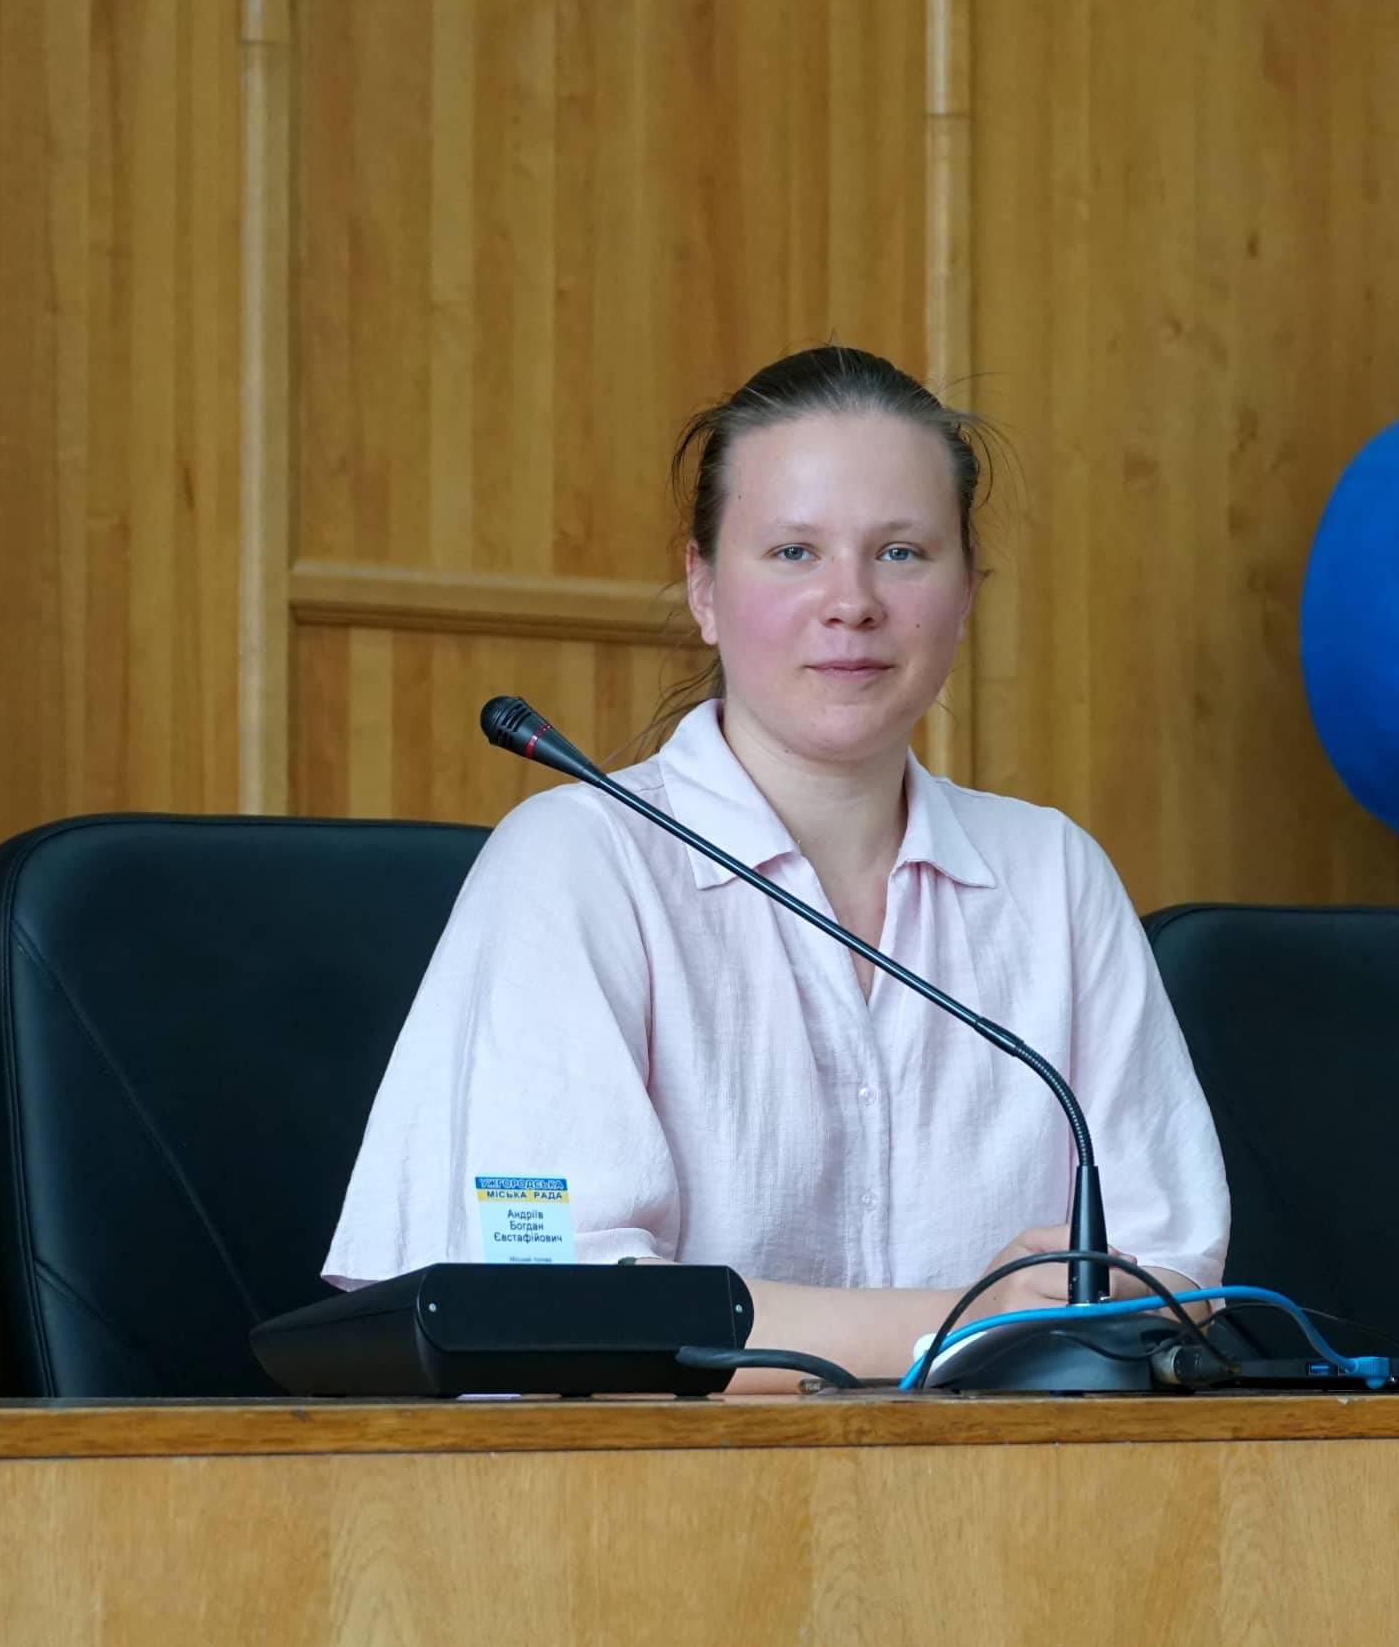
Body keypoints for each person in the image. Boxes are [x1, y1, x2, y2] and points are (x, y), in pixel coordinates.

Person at [324, 346, 1228, 1386]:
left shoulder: (1055, 876)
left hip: (1012, 1480)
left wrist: (1080, 1312)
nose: (851, 601)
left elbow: (1168, 1279)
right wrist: (965, 1323)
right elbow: (565, 1312)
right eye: (794, 551)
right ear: (704, 589)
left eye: (901, 552)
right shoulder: (579, 861)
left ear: (968, 592)